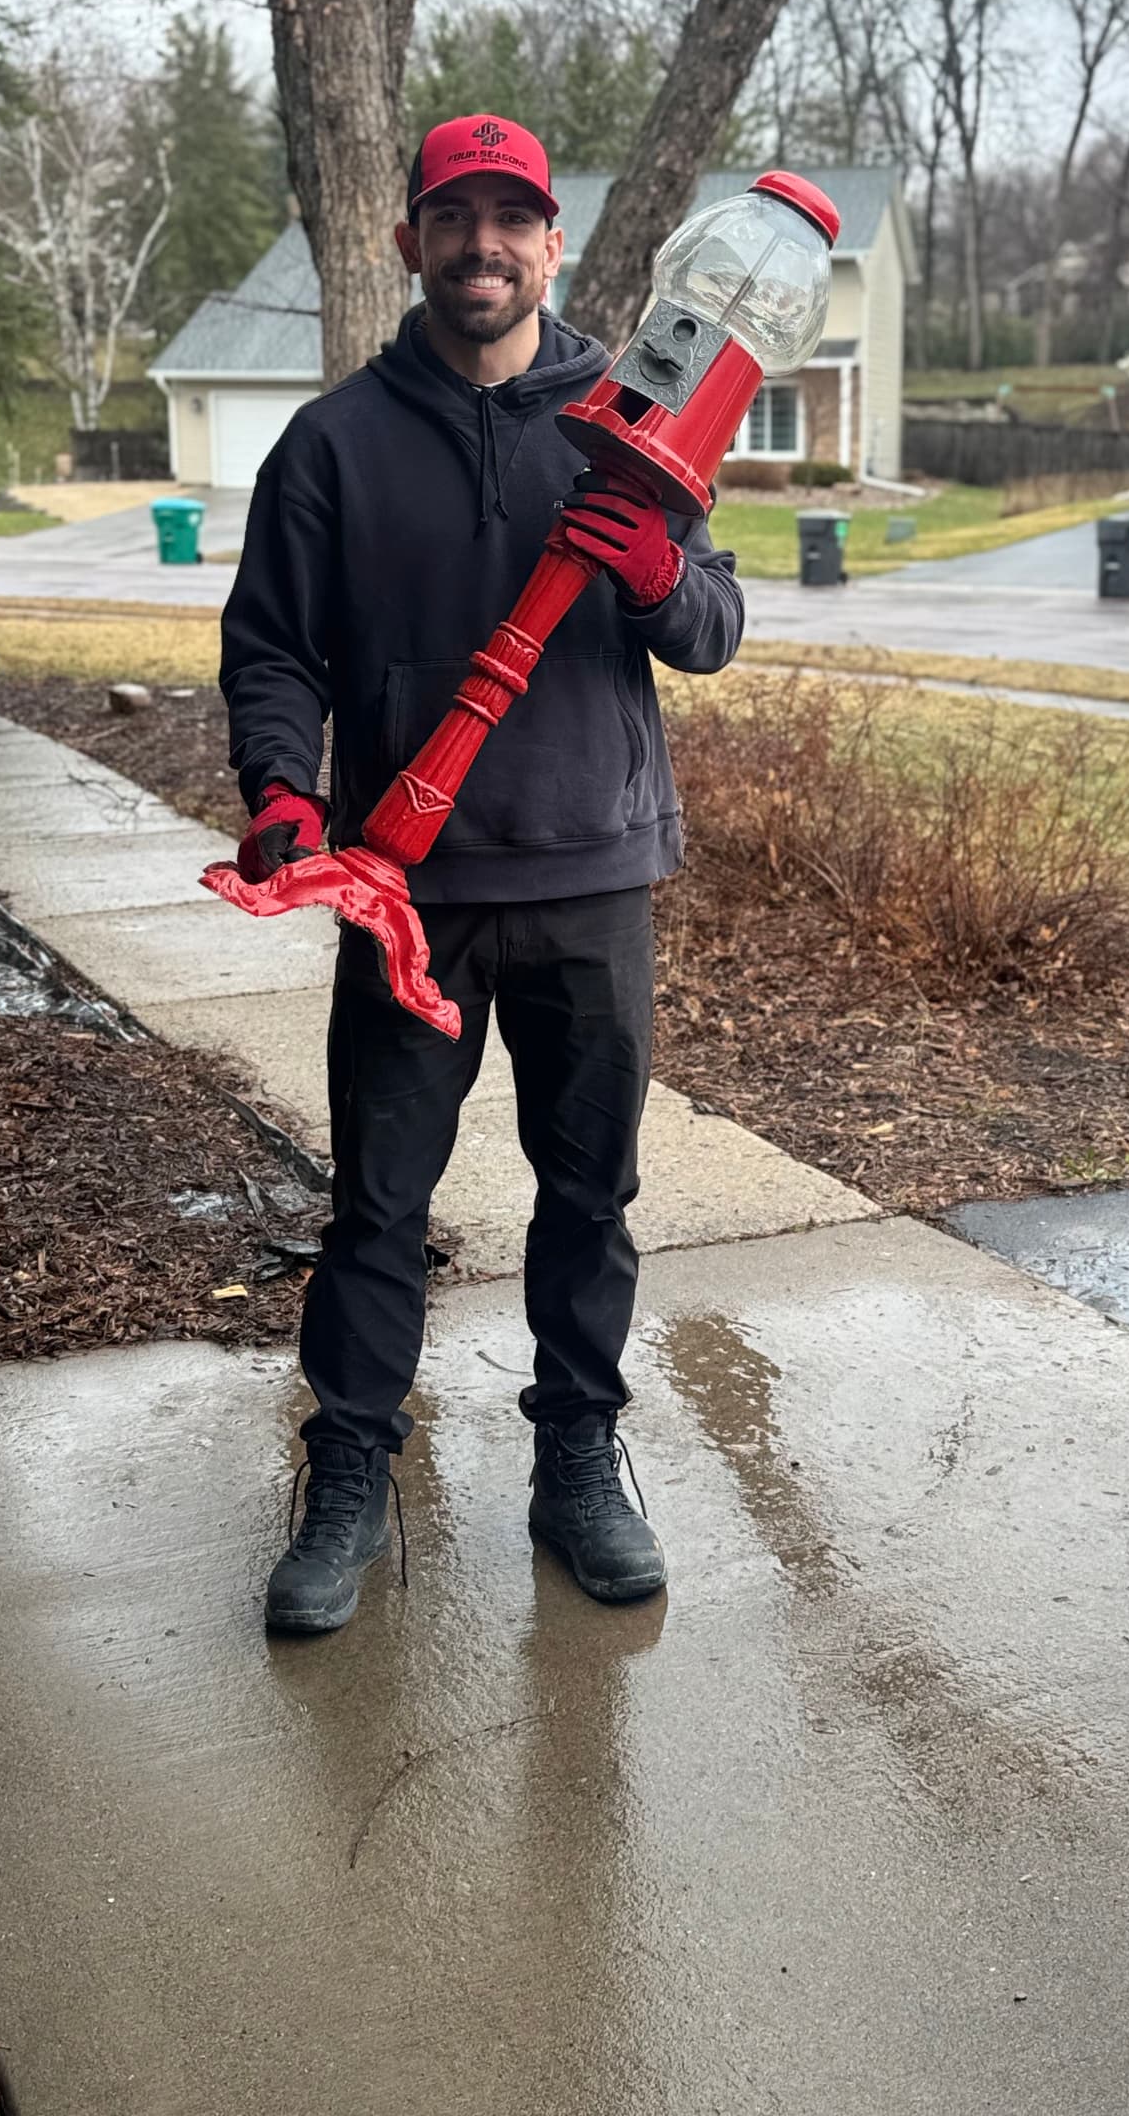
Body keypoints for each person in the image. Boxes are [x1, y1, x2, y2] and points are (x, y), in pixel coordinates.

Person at [219, 113, 744, 1635]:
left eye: (515, 219)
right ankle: (351, 1471)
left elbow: (711, 628)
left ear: (554, 244)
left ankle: (578, 1458)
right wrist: (277, 797)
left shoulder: (641, 418)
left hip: (591, 875)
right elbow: (270, 650)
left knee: (591, 1195)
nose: (485, 246)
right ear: (410, 243)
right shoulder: (334, 443)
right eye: (457, 218)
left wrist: (654, 569)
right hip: (408, 896)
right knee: (380, 1205)